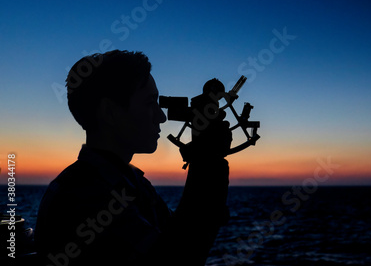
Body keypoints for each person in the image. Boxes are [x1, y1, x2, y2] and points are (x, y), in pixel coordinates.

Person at [35, 50, 231, 266]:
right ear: (110, 112)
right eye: (149, 103)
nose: (162, 116)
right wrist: (208, 162)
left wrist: (206, 161)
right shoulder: (84, 196)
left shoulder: (130, 182)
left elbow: (177, 237)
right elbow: (177, 259)